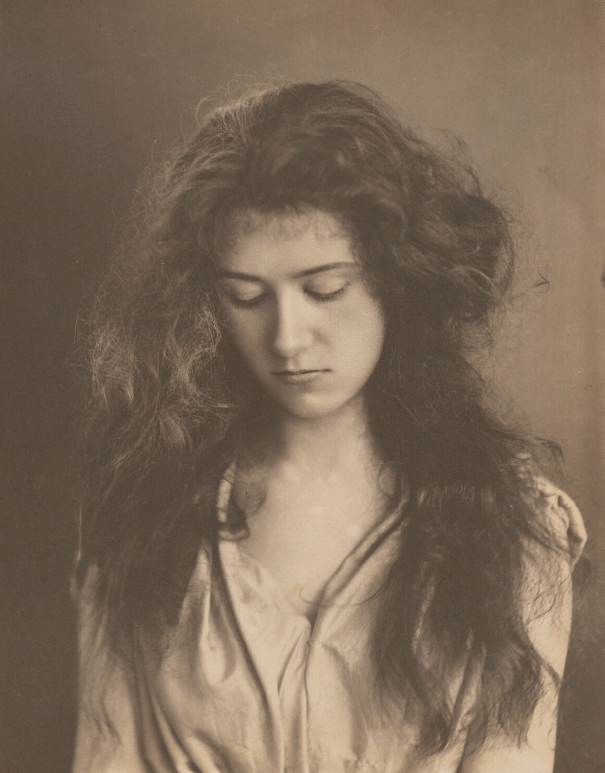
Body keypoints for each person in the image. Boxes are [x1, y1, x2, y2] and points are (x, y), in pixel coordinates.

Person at [72, 81, 586, 773]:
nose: (287, 338)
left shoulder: (516, 527)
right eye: (245, 297)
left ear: (396, 280)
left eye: (325, 289)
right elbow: (109, 757)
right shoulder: (142, 513)